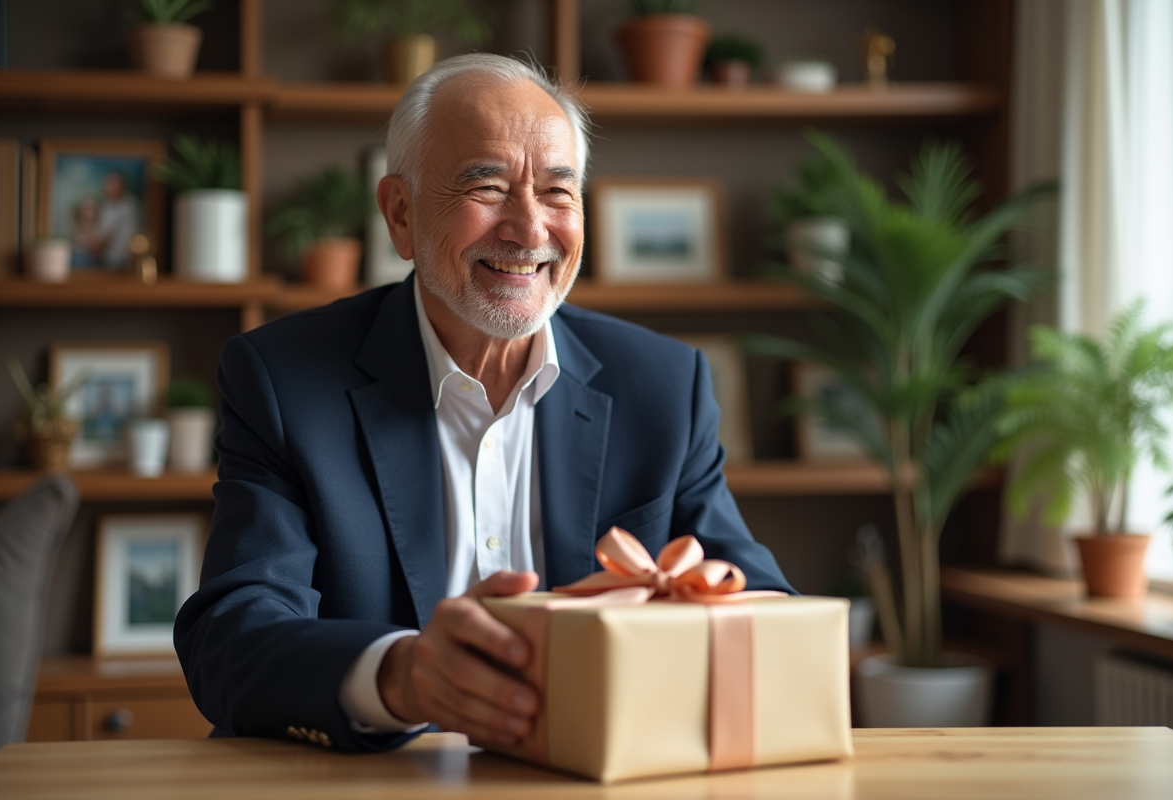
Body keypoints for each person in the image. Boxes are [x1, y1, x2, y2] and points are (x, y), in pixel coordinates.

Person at [175, 53, 793, 755]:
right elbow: (233, 635)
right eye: (489, 187)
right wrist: (401, 677)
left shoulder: (662, 384)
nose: (530, 229)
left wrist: (720, 604)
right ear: (401, 215)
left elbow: (766, 604)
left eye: (558, 193)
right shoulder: (284, 381)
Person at [95, 172, 141, 268]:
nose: (108, 187)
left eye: (113, 184)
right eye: (108, 183)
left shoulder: (128, 205)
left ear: (122, 186)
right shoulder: (107, 205)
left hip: (120, 261)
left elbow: (103, 239)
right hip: (108, 258)